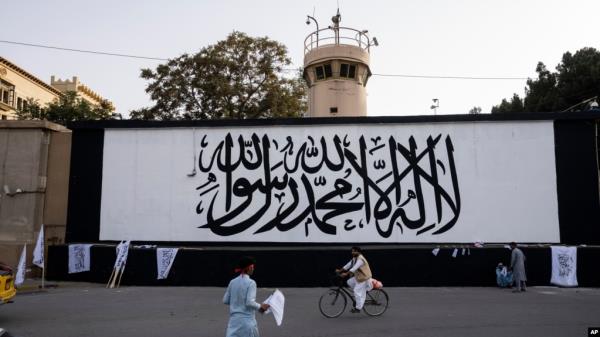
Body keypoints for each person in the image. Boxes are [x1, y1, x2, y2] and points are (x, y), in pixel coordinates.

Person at [223, 256, 270, 337]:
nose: (253, 269)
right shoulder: (251, 283)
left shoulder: (232, 282)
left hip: (233, 322)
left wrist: (237, 302)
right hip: (246, 322)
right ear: (250, 268)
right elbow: (249, 302)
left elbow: (225, 300)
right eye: (253, 267)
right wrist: (261, 307)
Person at [335, 246, 373, 313]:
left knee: (356, 291)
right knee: (349, 282)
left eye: (354, 251)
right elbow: (347, 265)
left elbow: (354, 268)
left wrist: (346, 274)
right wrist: (339, 271)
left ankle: (358, 308)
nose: (352, 252)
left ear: (358, 252)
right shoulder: (354, 258)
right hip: (358, 277)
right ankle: (360, 294)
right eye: (352, 251)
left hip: (364, 278)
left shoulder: (360, 259)